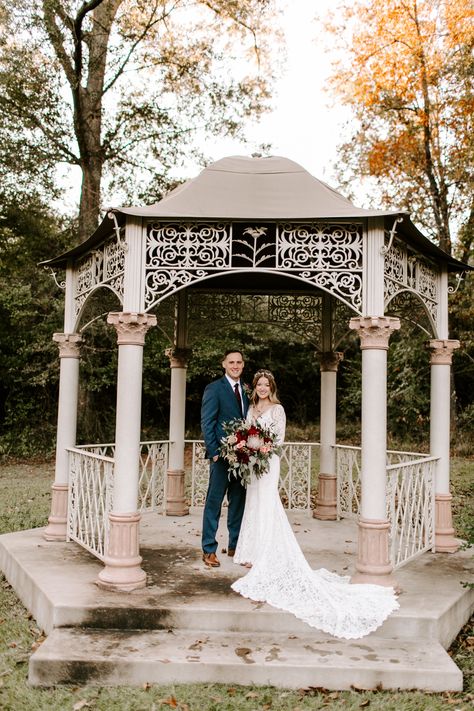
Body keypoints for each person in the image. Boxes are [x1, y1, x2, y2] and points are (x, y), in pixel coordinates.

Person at [231, 369, 399, 639]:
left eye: (266, 385)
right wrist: (245, 449)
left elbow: (278, 439)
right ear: (255, 387)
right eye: (259, 385)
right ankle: (251, 551)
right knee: (254, 502)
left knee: (268, 502)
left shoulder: (278, 409)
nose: (262, 388)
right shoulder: (251, 408)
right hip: (252, 463)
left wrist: (261, 449)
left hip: (268, 461)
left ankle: (267, 553)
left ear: (272, 387)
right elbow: (245, 431)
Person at [201, 349, 249, 568]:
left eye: (239, 362)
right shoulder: (214, 389)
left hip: (242, 458)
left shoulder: (247, 390)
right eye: (231, 362)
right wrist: (215, 452)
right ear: (224, 364)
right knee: (214, 502)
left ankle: (235, 545)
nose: (235, 365)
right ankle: (208, 549)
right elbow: (207, 423)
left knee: (238, 502)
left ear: (243, 365)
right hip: (221, 457)